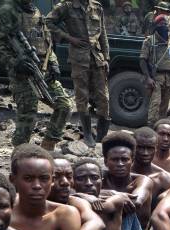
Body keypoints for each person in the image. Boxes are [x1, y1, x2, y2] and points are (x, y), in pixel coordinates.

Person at [0, 0, 71, 151]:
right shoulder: (8, 10)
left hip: (43, 70)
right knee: (27, 118)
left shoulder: (35, 10)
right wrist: (14, 61)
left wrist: (53, 62)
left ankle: (47, 148)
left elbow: (46, 41)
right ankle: (20, 157)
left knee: (64, 105)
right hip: (22, 73)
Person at [46, 0, 110, 146]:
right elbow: (48, 22)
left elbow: (103, 33)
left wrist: (106, 57)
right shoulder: (66, 6)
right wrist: (69, 38)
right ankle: (87, 135)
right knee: (82, 96)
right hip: (79, 57)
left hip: (97, 57)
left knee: (104, 97)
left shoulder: (97, 7)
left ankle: (101, 137)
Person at [141, 15, 170, 128]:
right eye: (161, 24)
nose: (165, 27)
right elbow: (142, 60)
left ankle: (160, 127)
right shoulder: (149, 41)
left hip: (169, 77)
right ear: (156, 26)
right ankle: (151, 126)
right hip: (156, 77)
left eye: (167, 24)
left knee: (165, 105)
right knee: (155, 104)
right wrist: (148, 77)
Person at [132, 127, 170, 201]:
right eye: (140, 147)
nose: (145, 153)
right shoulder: (119, 171)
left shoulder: (164, 178)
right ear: (132, 148)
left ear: (156, 148)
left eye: (150, 148)